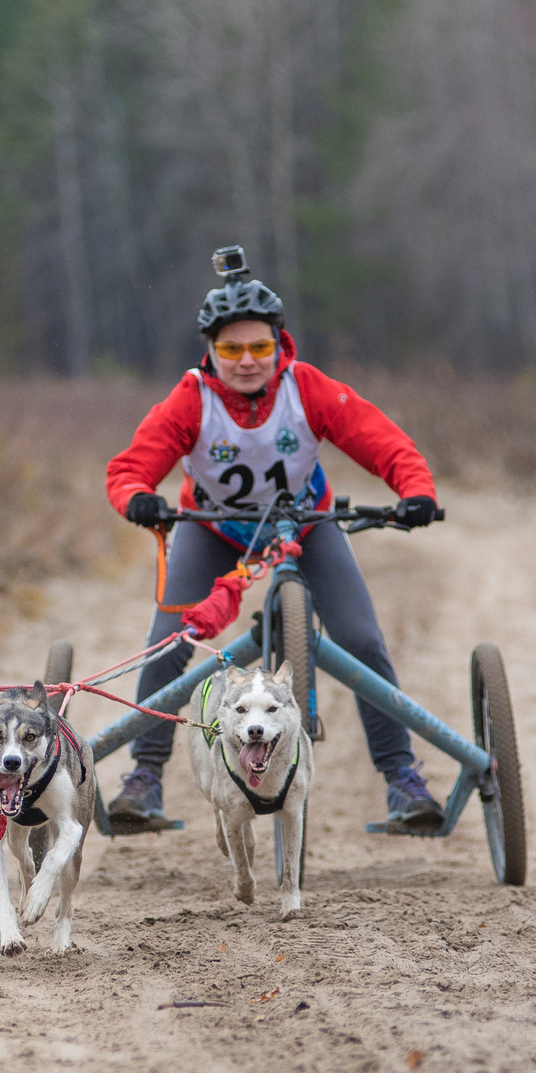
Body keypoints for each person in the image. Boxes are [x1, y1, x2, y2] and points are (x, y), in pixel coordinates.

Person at [102, 249, 444, 832]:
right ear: (210, 349)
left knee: (361, 639)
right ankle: (145, 776)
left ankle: (402, 779)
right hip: (211, 531)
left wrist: (416, 490)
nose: (246, 361)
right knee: (169, 640)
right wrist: (137, 495)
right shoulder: (192, 398)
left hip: (303, 527)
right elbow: (130, 467)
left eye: (259, 347)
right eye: (231, 349)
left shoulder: (306, 388)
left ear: (279, 345)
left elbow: (382, 441)